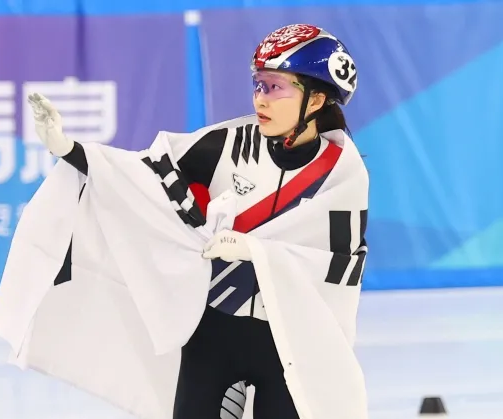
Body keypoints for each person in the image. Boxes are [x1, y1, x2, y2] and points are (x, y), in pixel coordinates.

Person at [21, 23, 367, 419]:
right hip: (214, 330)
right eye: (258, 85)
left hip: (288, 338)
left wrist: (255, 250)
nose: (261, 99)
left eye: (276, 87)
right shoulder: (228, 142)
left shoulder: (343, 173)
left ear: (317, 98)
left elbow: (344, 267)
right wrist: (68, 148)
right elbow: (141, 178)